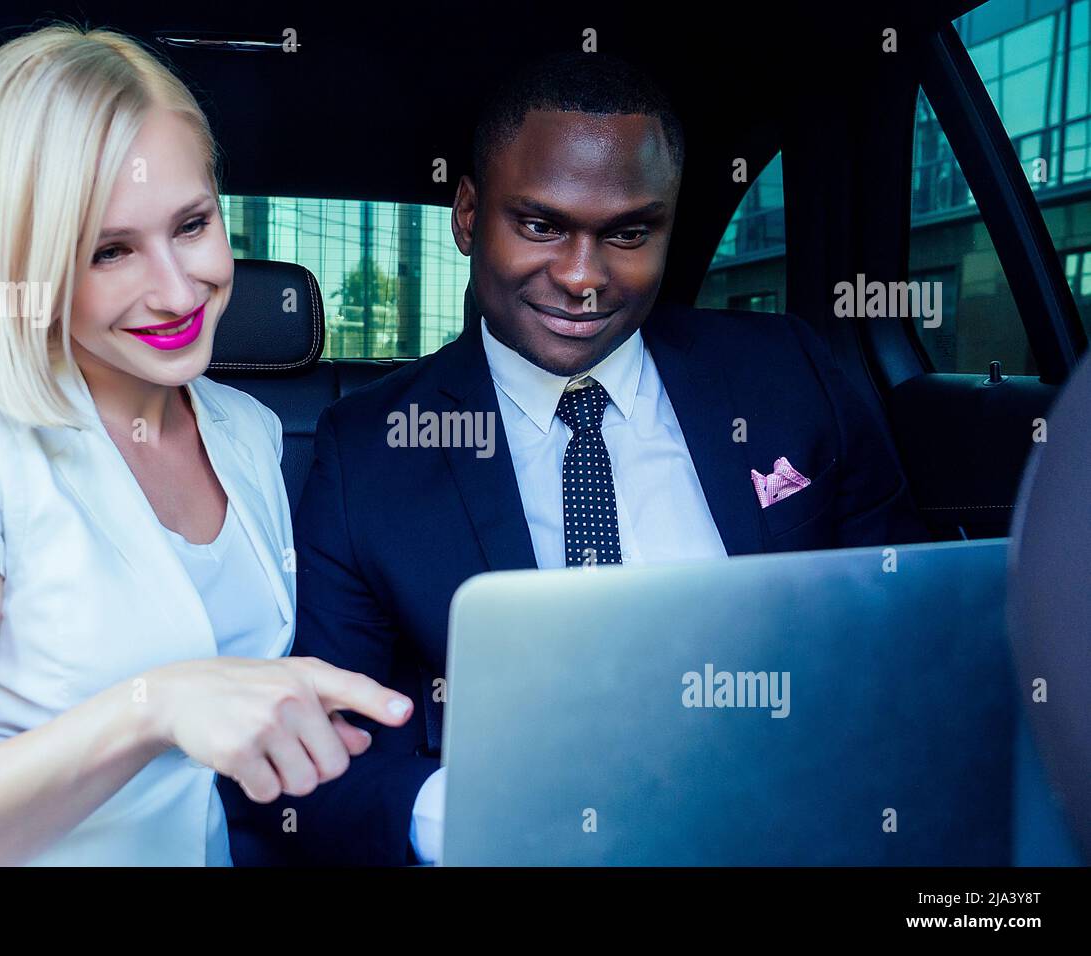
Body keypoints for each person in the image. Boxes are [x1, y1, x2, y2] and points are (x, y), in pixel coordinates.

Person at [222, 51, 929, 865]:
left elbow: (909, 629)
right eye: (540, 225)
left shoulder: (788, 374)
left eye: (628, 233)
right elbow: (321, 750)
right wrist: (470, 815)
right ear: (466, 216)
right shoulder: (367, 452)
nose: (583, 279)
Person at [0, 24, 412, 867]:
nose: (175, 287)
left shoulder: (246, 434)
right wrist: (152, 706)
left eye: (192, 225)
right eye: (110, 251)